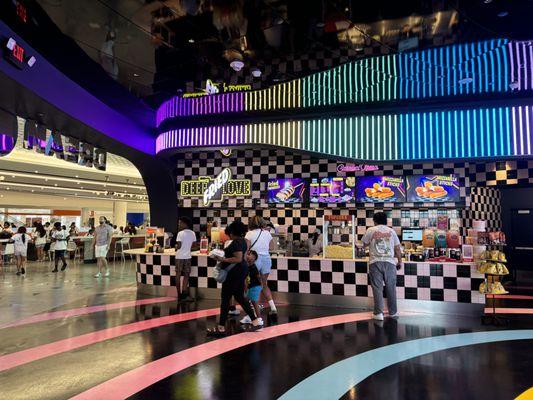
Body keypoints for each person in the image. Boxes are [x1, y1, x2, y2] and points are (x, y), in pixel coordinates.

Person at [207, 220, 263, 337]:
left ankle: (221, 328)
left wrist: (222, 259)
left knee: (226, 298)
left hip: (234, 273)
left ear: (232, 232)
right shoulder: (243, 241)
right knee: (240, 297)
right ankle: (256, 322)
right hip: (240, 271)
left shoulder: (236, 242)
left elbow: (237, 258)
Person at [361, 212, 402, 321]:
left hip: (375, 262)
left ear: (374, 221)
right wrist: (399, 261)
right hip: (390, 262)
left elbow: (363, 244)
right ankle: (393, 312)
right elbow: (397, 248)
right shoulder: (392, 231)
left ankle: (378, 313)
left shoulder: (370, 230)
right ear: (386, 221)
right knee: (391, 288)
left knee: (377, 288)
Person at [245, 216, 277, 314]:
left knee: (251, 284)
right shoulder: (267, 233)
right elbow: (272, 247)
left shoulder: (249, 233)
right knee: (264, 284)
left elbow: (246, 250)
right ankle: (273, 308)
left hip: (255, 260)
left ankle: (254, 307)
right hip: (266, 259)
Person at [175, 217, 196, 302]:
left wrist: (176, 246)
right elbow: (194, 246)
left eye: (180, 223)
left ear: (185, 224)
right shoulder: (193, 233)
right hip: (187, 257)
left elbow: (179, 246)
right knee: (186, 275)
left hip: (179, 257)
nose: (179, 224)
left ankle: (179, 295)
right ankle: (184, 293)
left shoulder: (180, 233)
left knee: (178, 275)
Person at [240, 250, 264, 325]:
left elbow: (258, 277)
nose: (247, 256)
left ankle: (259, 319)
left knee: (254, 303)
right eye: (247, 254)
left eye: (249, 255)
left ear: (253, 258)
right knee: (248, 302)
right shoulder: (248, 266)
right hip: (252, 287)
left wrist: (261, 285)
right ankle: (249, 316)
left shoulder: (253, 267)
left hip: (255, 287)